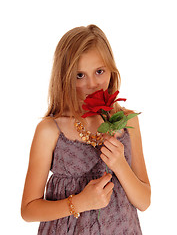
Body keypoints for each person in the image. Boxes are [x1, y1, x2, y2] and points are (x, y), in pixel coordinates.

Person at [21, 24, 151, 234]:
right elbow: (28, 210)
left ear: (111, 70)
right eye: (79, 75)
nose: (92, 84)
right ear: (64, 78)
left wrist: (120, 165)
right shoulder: (50, 130)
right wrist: (80, 203)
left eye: (99, 71)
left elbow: (144, 202)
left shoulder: (127, 121)